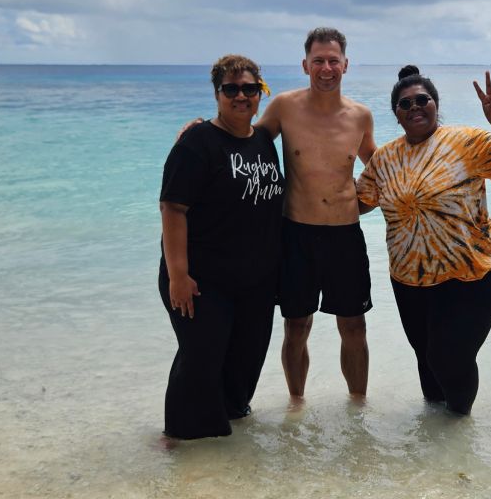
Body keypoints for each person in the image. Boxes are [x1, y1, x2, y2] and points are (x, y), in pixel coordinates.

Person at [356, 65, 491, 415]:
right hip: (410, 282)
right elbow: (360, 202)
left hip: (474, 276)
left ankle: (459, 436)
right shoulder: (385, 159)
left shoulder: (466, 142)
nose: (415, 108)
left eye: (422, 100)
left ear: (436, 104)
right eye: (405, 104)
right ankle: (435, 450)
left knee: (448, 357)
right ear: (396, 115)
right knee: (427, 365)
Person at [158, 54, 284, 439]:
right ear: (217, 94)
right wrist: (178, 275)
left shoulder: (262, 140)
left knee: (244, 363)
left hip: (254, 283)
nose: (241, 96)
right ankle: (181, 442)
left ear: (261, 93)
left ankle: (229, 451)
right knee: (200, 363)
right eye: (231, 89)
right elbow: (173, 207)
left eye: (250, 88)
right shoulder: (198, 142)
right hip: (201, 281)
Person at [256, 28, 376, 400]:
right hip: (296, 234)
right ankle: (296, 403)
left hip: (345, 235)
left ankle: (358, 406)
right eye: (319, 61)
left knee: (354, 326)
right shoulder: (284, 107)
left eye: (333, 60)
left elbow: (384, 170)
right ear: (305, 64)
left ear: (346, 64)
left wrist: (365, 205)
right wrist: (201, 133)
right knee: (296, 326)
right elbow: (244, 145)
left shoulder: (360, 116)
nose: (327, 68)